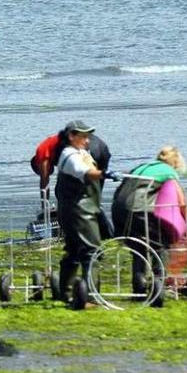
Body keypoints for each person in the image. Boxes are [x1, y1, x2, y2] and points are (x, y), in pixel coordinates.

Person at [111, 146, 187, 307]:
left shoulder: (141, 167)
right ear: (175, 163)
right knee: (161, 244)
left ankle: (138, 288)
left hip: (118, 209)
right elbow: (181, 203)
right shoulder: (169, 172)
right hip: (138, 208)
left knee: (138, 247)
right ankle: (158, 283)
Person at [53, 120, 118, 303]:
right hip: (79, 210)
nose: (87, 140)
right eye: (83, 136)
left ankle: (63, 292)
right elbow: (86, 173)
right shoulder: (69, 156)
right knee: (92, 250)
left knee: (74, 250)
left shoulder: (80, 152)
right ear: (71, 136)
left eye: (87, 136)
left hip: (80, 209)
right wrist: (105, 174)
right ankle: (91, 296)